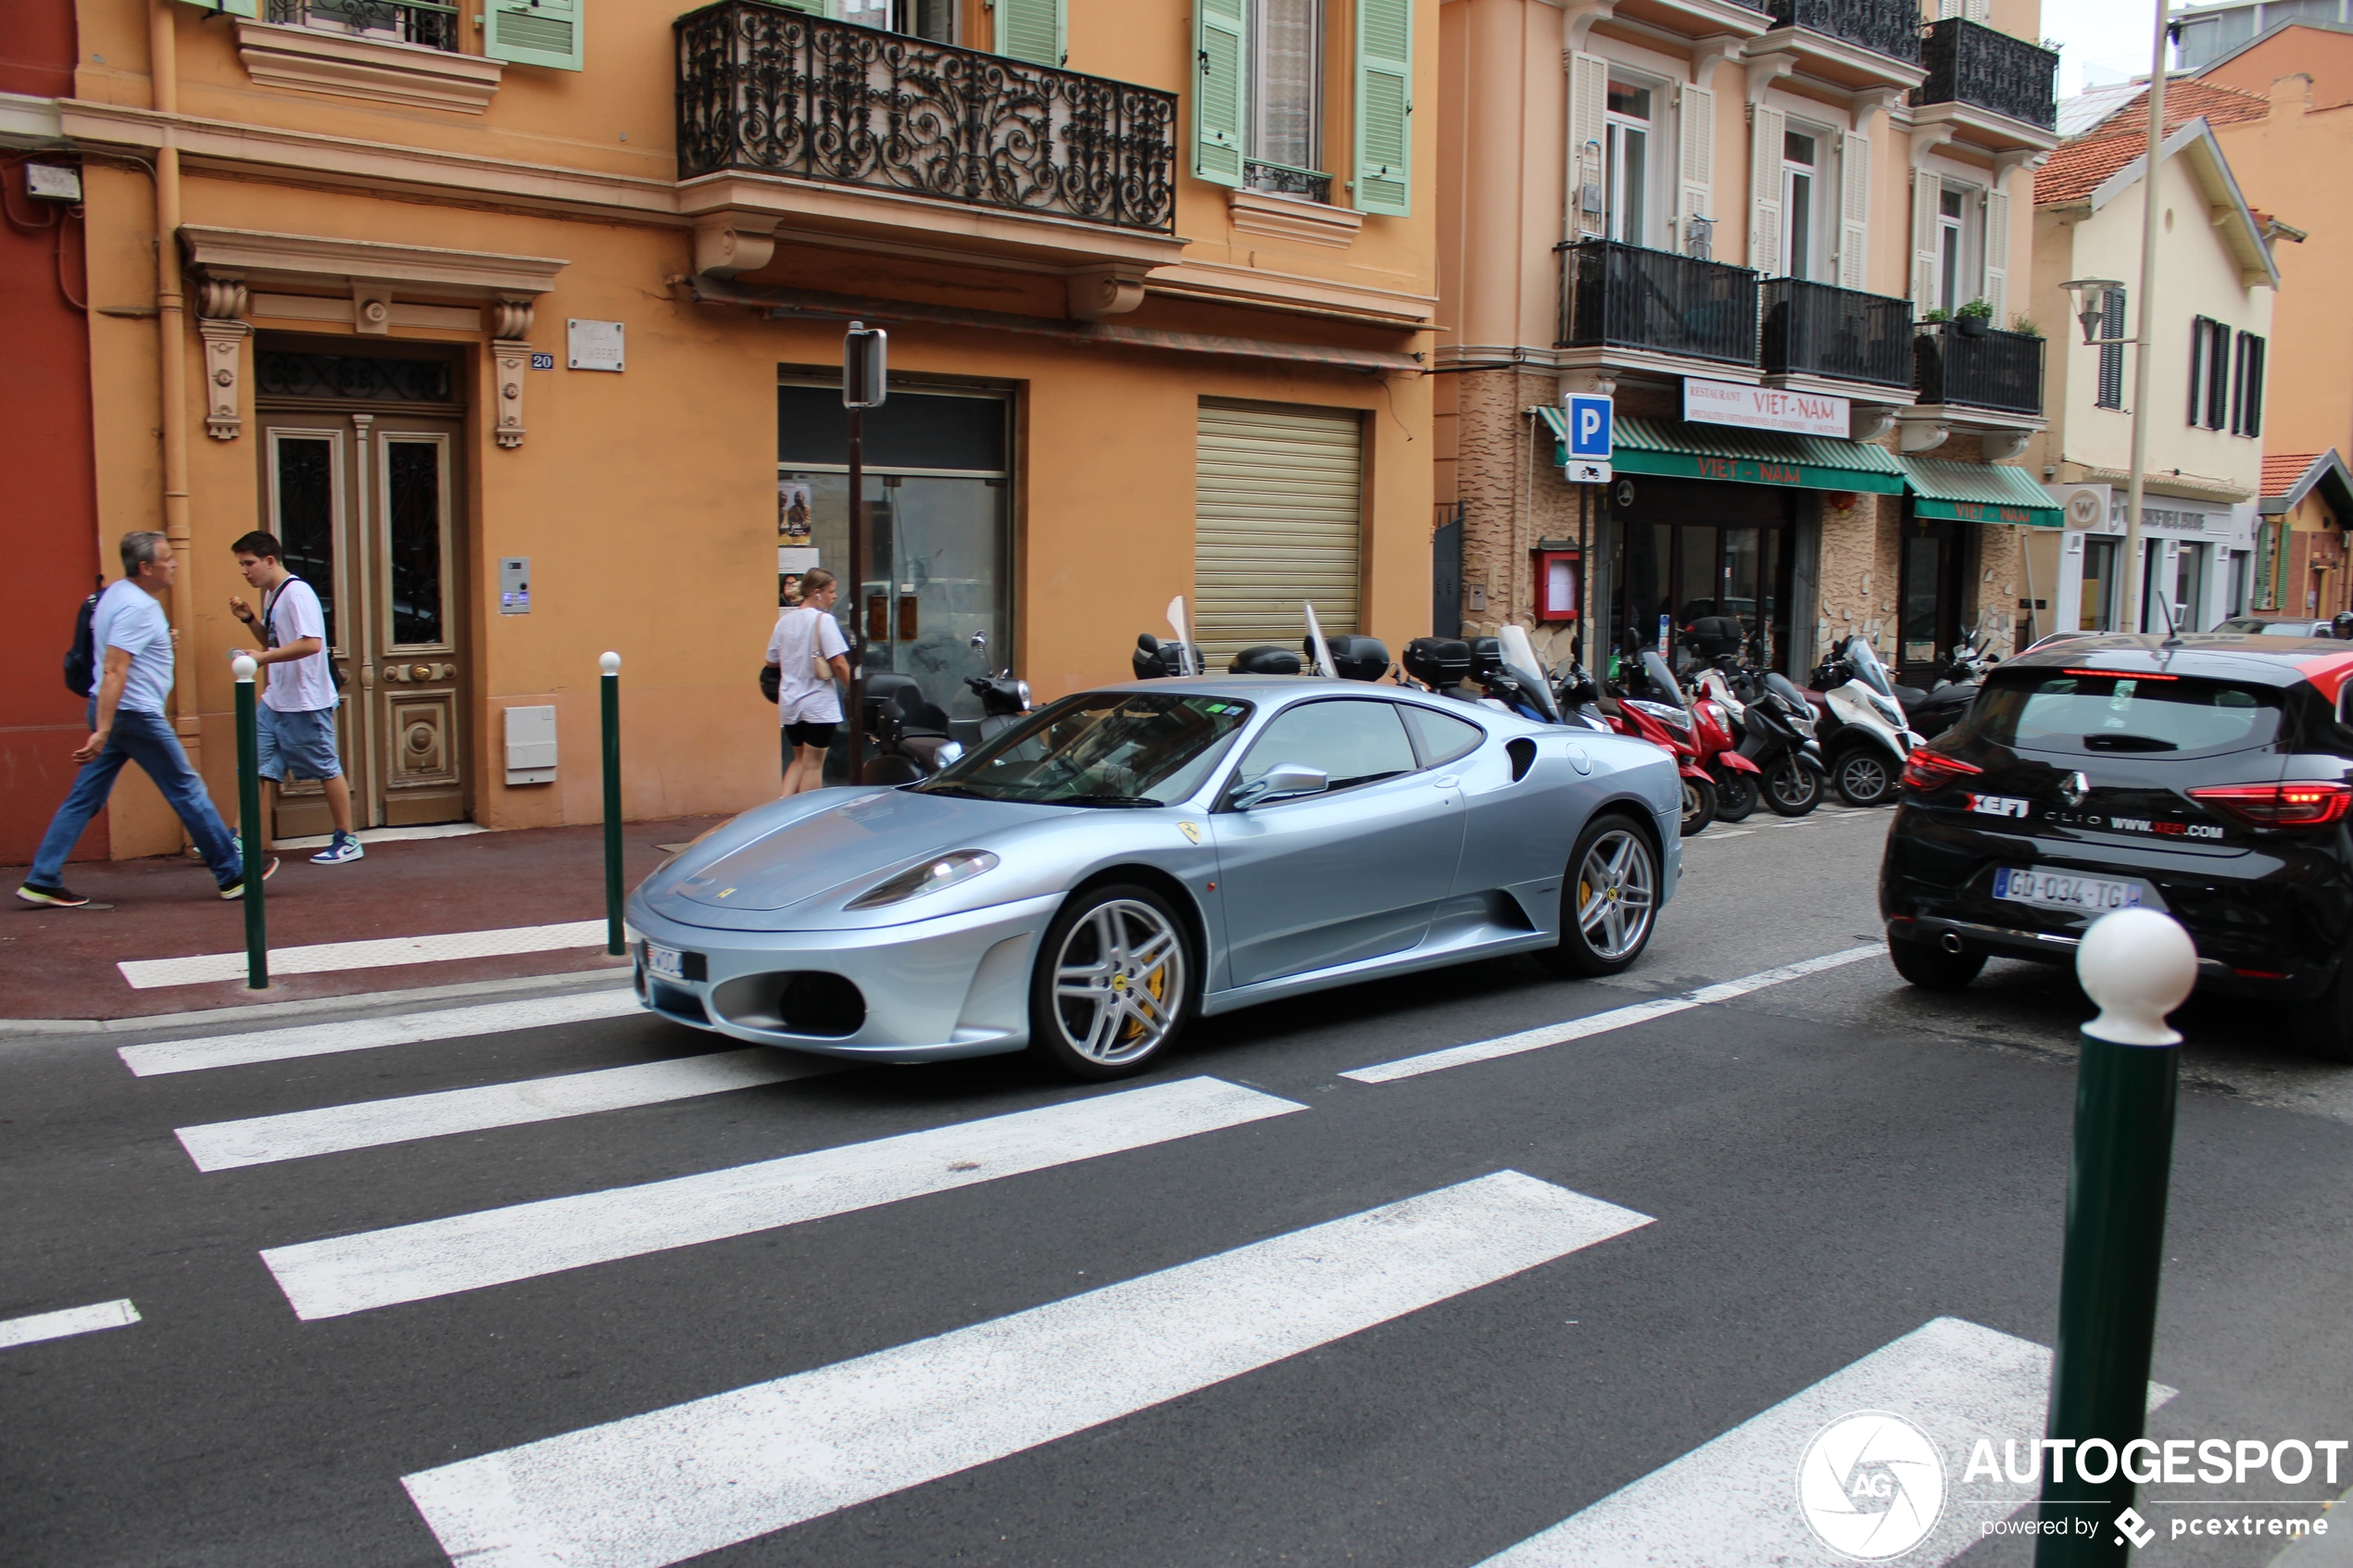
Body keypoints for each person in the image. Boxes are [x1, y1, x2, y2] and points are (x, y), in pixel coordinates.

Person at [17, 532, 274, 908]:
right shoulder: (139, 608)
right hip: (134, 714)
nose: (174, 563)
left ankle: (42, 877)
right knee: (186, 788)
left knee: (84, 796)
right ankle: (233, 873)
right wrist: (104, 729)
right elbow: (114, 669)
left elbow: (118, 656)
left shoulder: (117, 594)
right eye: (167, 558)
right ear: (145, 567)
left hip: (117, 711)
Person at [227, 531, 361, 864]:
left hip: (306, 699)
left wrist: (261, 658)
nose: (244, 571)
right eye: (241, 564)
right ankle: (238, 839)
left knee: (326, 767)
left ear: (270, 560)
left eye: (249, 563)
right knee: (253, 766)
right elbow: (274, 639)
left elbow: (310, 644)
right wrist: (249, 620)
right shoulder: (272, 595)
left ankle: (348, 839)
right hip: (276, 698)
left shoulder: (297, 594)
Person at [765, 567, 851, 797]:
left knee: (800, 759)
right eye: (831, 591)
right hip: (818, 704)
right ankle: (807, 815)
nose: (835, 596)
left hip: (790, 702)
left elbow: (771, 661)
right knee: (813, 764)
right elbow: (839, 662)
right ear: (817, 592)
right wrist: (851, 688)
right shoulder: (824, 621)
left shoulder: (784, 622)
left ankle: (781, 808)